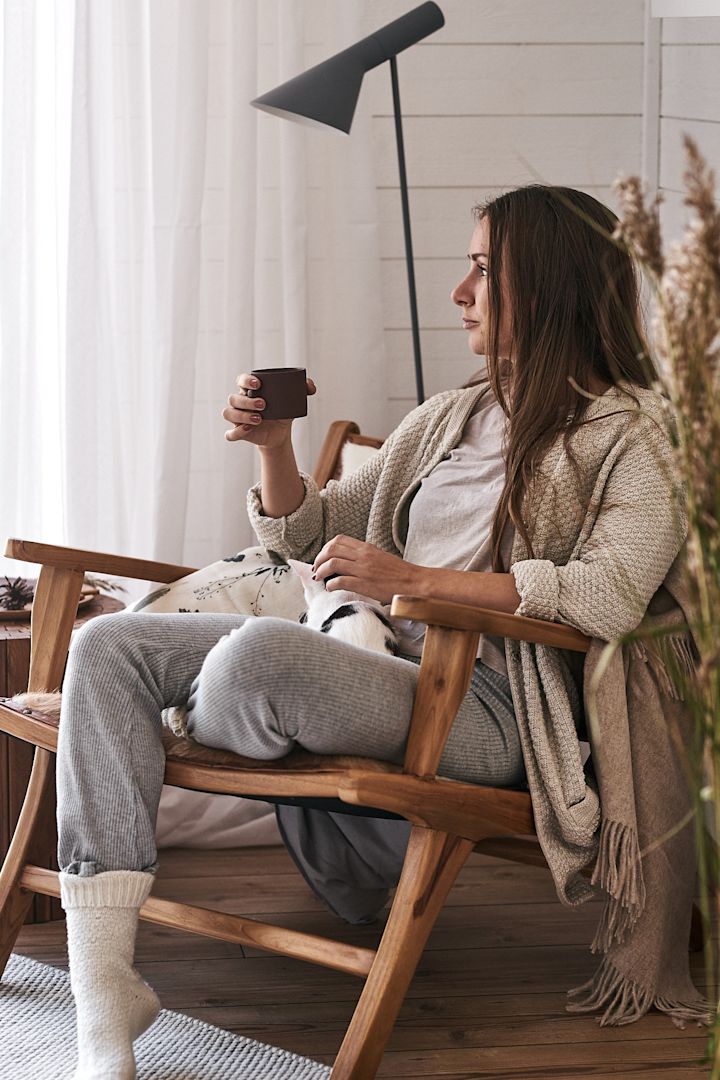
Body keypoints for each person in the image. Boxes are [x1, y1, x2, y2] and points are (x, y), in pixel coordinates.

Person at [54, 184, 708, 1080]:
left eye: (484, 269)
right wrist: (276, 447)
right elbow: (304, 533)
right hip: (365, 659)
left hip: (485, 704)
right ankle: (105, 995)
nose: (460, 291)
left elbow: (610, 594)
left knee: (253, 659)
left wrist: (409, 581)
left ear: (548, 285)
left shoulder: (638, 434)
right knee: (102, 648)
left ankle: (193, 708)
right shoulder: (452, 415)